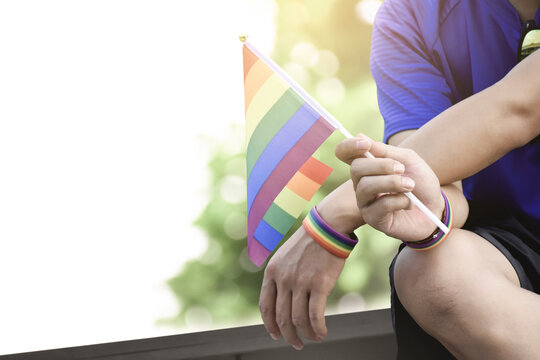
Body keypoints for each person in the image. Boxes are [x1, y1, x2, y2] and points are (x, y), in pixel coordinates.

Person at [258, 0, 540, 358]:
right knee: (427, 272)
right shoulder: (409, 14)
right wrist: (423, 205)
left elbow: (521, 108)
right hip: (506, 242)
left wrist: (330, 218)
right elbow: (432, 186)